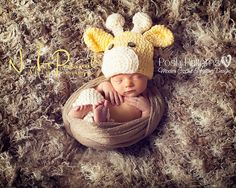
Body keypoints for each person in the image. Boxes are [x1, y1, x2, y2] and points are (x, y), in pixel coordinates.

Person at [68, 73, 150, 123]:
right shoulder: (112, 87)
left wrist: (146, 110)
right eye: (119, 80)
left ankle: (100, 122)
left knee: (94, 126)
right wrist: (103, 86)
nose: (128, 84)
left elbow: (144, 125)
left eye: (136, 77)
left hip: (112, 126)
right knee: (89, 92)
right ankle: (76, 114)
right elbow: (96, 91)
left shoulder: (147, 97)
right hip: (95, 107)